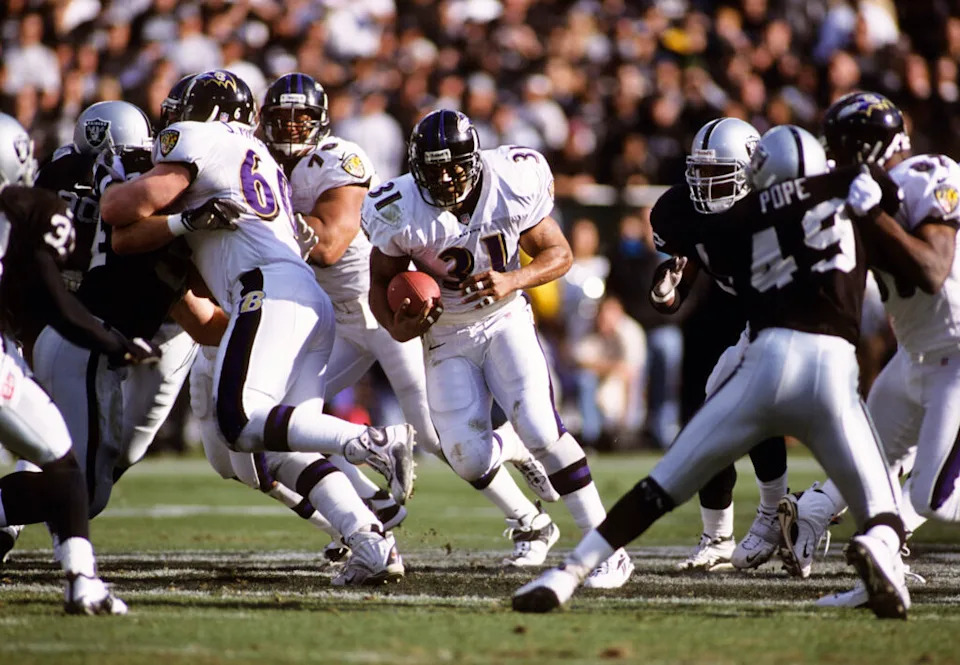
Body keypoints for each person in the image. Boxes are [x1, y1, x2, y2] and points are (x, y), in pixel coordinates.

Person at [513, 125, 912, 620]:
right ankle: (877, 552)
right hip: (834, 369)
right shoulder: (849, 190)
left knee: (662, 483)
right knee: (880, 504)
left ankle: (567, 573)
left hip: (767, 354)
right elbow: (888, 205)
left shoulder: (745, 216)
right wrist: (870, 197)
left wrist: (678, 272)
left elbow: (709, 246)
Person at [97, 70, 415, 583]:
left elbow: (120, 210)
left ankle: (370, 441)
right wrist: (181, 224)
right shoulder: (258, 157)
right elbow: (130, 240)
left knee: (237, 418)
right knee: (279, 443)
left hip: (266, 291)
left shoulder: (202, 137)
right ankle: (371, 544)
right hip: (305, 299)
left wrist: (134, 195)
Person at [363, 108, 632, 586]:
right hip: (445, 334)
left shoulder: (511, 177)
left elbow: (560, 254)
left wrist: (513, 279)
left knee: (542, 429)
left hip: (505, 317)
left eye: (454, 166)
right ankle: (522, 479)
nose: (445, 178)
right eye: (433, 168)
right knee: (466, 456)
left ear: (475, 159)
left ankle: (605, 546)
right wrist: (403, 327)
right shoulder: (397, 206)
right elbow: (379, 287)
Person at [779, 92, 960, 606]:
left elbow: (930, 271)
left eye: (840, 147)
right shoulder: (863, 195)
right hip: (915, 355)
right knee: (865, 471)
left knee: (935, 500)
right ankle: (880, 581)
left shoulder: (928, 174)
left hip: (957, 354)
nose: (833, 158)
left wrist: (872, 213)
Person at [0, 112, 156, 614]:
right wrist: (112, 342)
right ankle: (82, 582)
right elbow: (57, 302)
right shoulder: (29, 209)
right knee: (62, 465)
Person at [649, 117, 789, 571]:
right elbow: (689, 264)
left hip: (793, 319)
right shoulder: (681, 211)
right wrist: (670, 288)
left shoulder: (775, 206)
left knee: (745, 417)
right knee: (716, 419)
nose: (706, 184)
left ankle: (780, 519)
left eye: (718, 173)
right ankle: (756, 527)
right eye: (700, 172)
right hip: (742, 317)